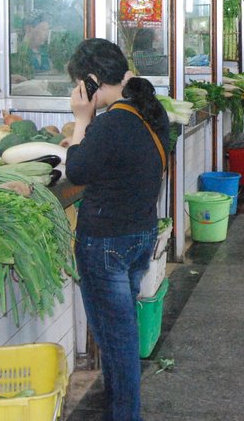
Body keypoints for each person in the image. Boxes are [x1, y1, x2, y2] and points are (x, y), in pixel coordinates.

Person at [64, 38, 170, 421]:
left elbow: (76, 171)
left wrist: (81, 121)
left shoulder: (109, 124)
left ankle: (126, 415)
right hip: (140, 234)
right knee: (119, 334)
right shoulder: (147, 111)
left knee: (117, 341)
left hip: (105, 243)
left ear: (91, 81)